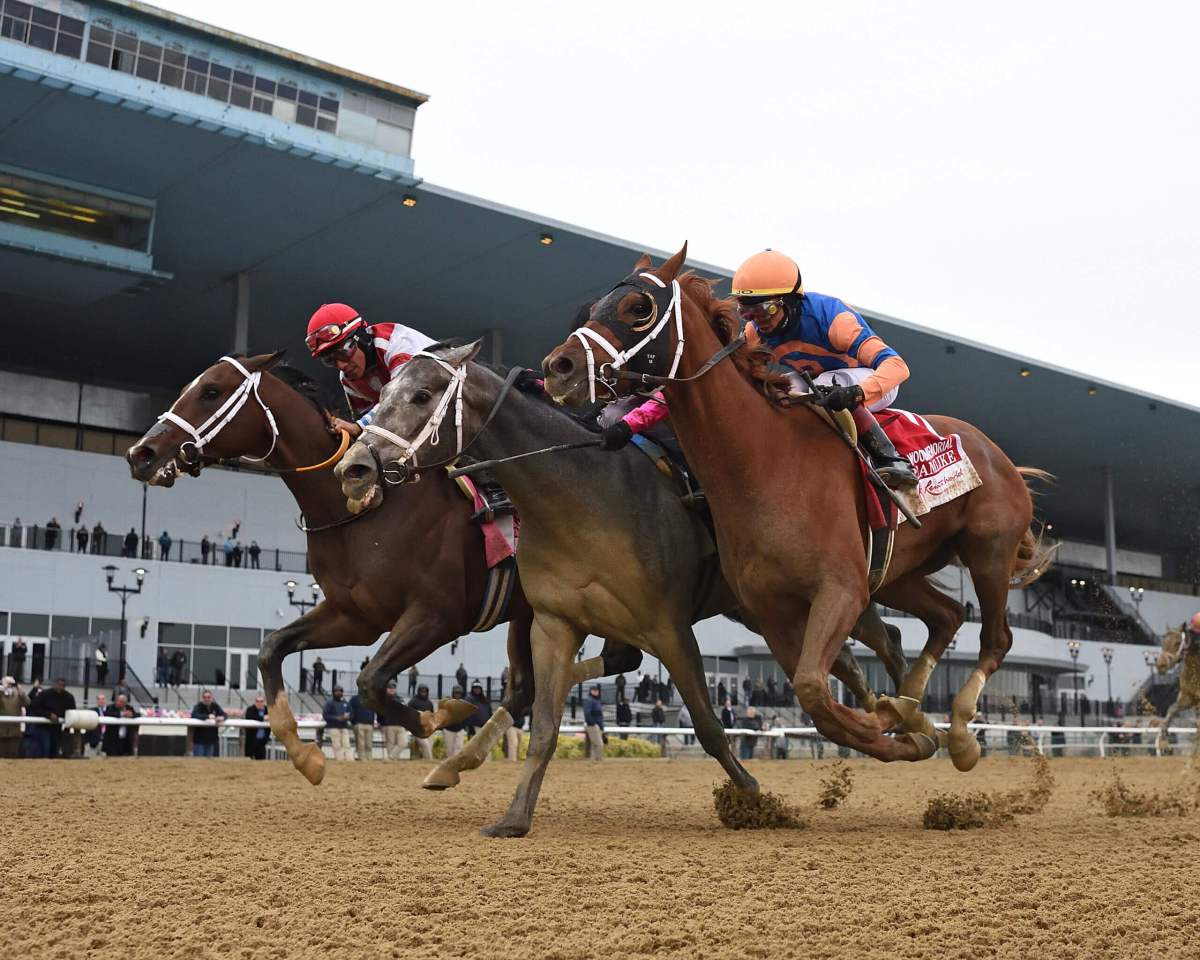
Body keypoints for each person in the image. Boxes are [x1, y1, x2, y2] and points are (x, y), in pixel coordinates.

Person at [304, 301, 511, 522]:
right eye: (329, 360)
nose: (341, 365)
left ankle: (497, 489)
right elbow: (370, 431)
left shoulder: (395, 344)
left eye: (343, 353)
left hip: (463, 399)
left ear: (362, 337)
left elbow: (400, 404)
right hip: (422, 417)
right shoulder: (348, 381)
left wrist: (357, 426)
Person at [728, 249, 917, 488]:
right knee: (775, 391)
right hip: (816, 383)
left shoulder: (835, 320)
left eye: (766, 309)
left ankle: (890, 459)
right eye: (746, 311)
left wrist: (857, 393)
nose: (758, 320)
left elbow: (898, 367)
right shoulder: (755, 332)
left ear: (790, 300)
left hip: (870, 383)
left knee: (825, 384)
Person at [39, 677, 76, 758]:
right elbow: (36, 708)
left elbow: (72, 712)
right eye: (59, 685)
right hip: (43, 727)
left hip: (58, 728)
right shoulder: (45, 694)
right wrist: (48, 715)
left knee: (55, 749)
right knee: (45, 749)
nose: (60, 687)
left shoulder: (69, 697)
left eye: (62, 686)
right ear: (54, 684)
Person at [378, 679, 409, 760]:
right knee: (390, 745)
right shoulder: (382, 700)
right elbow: (379, 713)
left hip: (400, 725)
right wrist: (380, 723)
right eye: (389, 687)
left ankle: (390, 757)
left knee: (403, 743)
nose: (391, 689)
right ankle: (392, 763)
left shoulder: (400, 699)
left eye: (393, 687)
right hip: (388, 725)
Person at [190, 690, 226, 757]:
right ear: (202, 698)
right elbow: (194, 715)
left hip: (211, 740)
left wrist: (222, 718)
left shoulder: (215, 706)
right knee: (198, 762)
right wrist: (207, 716)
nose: (206, 699)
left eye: (208, 697)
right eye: (204, 697)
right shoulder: (198, 706)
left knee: (210, 763)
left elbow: (224, 714)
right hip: (199, 741)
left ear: (212, 698)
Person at [0, 676, 29, 759]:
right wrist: (3, 688)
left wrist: (21, 693)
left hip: (14, 731)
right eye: (8, 683)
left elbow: (27, 703)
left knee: (13, 755)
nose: (10, 686)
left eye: (12, 684)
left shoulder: (18, 694)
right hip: (1, 731)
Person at [322, 686, 353, 760]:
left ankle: (350, 760)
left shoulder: (345, 703)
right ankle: (340, 760)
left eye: (340, 691)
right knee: (337, 745)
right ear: (333, 693)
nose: (338, 693)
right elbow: (325, 715)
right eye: (336, 691)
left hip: (344, 726)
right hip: (333, 727)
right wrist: (337, 718)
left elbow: (351, 713)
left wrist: (348, 717)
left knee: (347, 744)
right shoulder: (329, 703)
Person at [407, 684, 435, 759]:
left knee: (430, 745)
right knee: (425, 745)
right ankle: (430, 761)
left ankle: (422, 761)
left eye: (425, 691)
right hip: (418, 728)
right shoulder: (413, 701)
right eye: (422, 691)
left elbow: (432, 714)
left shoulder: (429, 702)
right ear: (418, 691)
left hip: (428, 728)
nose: (423, 692)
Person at [440, 685, 467, 760]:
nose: (458, 695)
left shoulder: (464, 704)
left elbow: (466, 717)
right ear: (453, 693)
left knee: (459, 747)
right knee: (449, 750)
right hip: (449, 729)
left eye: (459, 693)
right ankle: (449, 763)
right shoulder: (447, 703)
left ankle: (456, 763)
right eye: (456, 693)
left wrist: (464, 727)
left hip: (460, 729)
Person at [348, 689, 376, 760]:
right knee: (361, 743)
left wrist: (373, 722)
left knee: (369, 743)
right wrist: (353, 722)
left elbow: (373, 712)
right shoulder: (354, 699)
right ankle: (362, 758)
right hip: (358, 724)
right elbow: (350, 711)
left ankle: (369, 758)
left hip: (369, 724)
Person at [582, 685, 605, 761]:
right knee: (599, 744)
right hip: (593, 726)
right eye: (594, 690)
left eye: (597, 690)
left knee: (594, 745)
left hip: (597, 725)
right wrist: (593, 723)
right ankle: (598, 759)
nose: (596, 692)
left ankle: (594, 760)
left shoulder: (596, 700)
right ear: (591, 691)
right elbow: (587, 713)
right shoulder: (589, 700)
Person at [244, 693, 270, 760]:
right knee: (248, 762)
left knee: (261, 763)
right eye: (257, 701)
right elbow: (249, 716)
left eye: (261, 701)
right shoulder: (250, 709)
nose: (259, 703)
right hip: (251, 742)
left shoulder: (269, 710)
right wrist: (263, 718)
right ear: (255, 702)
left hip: (262, 742)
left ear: (264, 702)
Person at [83, 693, 107, 758]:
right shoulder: (91, 711)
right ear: (97, 701)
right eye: (99, 699)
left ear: (105, 701)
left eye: (103, 699)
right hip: (93, 742)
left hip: (105, 742)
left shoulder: (109, 711)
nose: (101, 701)